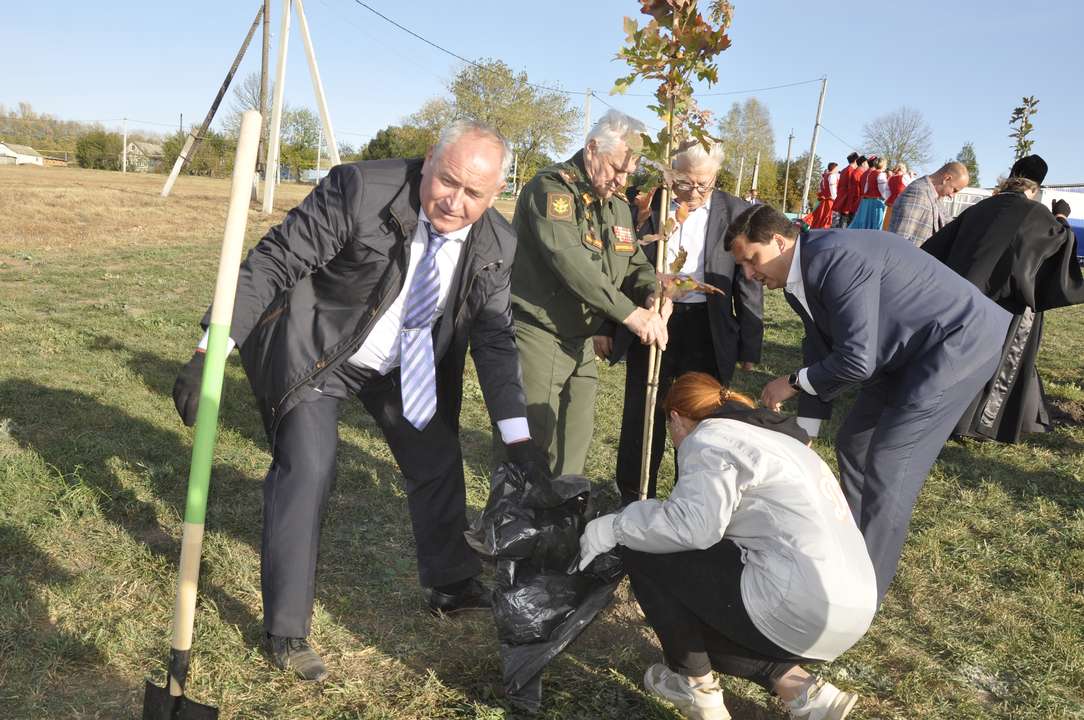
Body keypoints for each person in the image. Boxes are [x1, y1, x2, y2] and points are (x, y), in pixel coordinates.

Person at [172, 120, 541, 680]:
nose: (455, 202)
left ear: (496, 196)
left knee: (437, 460)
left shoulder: (496, 243)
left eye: (474, 194)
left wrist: (518, 436)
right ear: (428, 160)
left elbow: (494, 338)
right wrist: (211, 352)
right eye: (447, 181)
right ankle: (287, 629)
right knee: (309, 466)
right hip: (321, 347)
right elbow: (275, 262)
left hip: (404, 360)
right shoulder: (360, 189)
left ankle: (451, 582)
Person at [726, 204, 1011, 603]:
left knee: (890, 463)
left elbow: (856, 360)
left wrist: (791, 383)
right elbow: (820, 349)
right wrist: (804, 434)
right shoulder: (798, 273)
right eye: (742, 266)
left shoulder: (835, 259)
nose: (749, 275)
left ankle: (862, 597)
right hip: (903, 351)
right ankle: (855, 553)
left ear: (778, 241)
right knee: (854, 445)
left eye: (752, 260)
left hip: (959, 344)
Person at [579, 373, 877, 720]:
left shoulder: (713, 438)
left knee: (645, 550)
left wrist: (616, 525)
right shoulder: (780, 441)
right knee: (701, 606)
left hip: (800, 600)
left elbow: (692, 528)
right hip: (853, 608)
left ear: (675, 417)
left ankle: (695, 688)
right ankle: (803, 691)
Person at [508, 109, 665, 477]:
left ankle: (564, 519)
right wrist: (630, 314)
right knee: (531, 441)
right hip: (541, 331)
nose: (622, 180)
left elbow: (635, 263)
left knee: (573, 442)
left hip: (580, 339)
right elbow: (570, 261)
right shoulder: (552, 189)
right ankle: (513, 522)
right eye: (616, 168)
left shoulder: (618, 206)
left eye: (630, 172)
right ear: (592, 148)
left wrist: (652, 295)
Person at [605, 140, 764, 505]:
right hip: (653, 318)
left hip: (707, 326)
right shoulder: (645, 206)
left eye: (703, 185)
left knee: (701, 413)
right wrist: (605, 327)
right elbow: (617, 270)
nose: (693, 193)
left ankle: (692, 498)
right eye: (685, 183)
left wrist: (749, 345)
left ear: (716, 178)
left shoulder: (737, 213)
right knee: (643, 410)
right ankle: (633, 495)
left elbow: (749, 284)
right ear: (670, 174)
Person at [923, 156, 1084, 443]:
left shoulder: (980, 207)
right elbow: (1060, 247)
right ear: (1034, 189)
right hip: (1006, 307)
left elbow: (936, 248)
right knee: (996, 364)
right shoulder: (1037, 214)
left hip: (962, 300)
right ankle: (978, 424)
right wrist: (1060, 218)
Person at [887, 161, 969, 245]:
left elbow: (949, 224)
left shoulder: (935, 196)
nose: (952, 196)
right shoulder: (917, 193)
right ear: (946, 179)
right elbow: (900, 240)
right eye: (954, 190)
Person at [848, 157, 888, 229]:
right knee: (875, 223)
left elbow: (866, 189)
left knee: (864, 222)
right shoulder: (881, 174)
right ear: (883, 165)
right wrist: (886, 199)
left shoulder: (870, 174)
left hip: (866, 202)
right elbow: (883, 190)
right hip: (876, 202)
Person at [809, 162, 839, 229]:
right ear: (834, 168)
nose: (837, 169)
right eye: (837, 168)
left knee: (822, 216)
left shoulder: (825, 176)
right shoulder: (832, 176)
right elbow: (832, 189)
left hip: (825, 200)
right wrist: (835, 198)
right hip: (830, 200)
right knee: (827, 217)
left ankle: (819, 229)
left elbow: (821, 189)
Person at [833, 153, 859, 227]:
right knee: (846, 219)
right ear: (856, 160)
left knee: (842, 218)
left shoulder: (844, 170)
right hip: (848, 198)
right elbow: (851, 187)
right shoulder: (852, 171)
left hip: (842, 196)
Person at [881, 163, 909, 230]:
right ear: (903, 169)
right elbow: (909, 188)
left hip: (890, 202)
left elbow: (887, 192)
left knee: (887, 223)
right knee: (897, 225)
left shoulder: (891, 178)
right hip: (900, 204)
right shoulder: (905, 177)